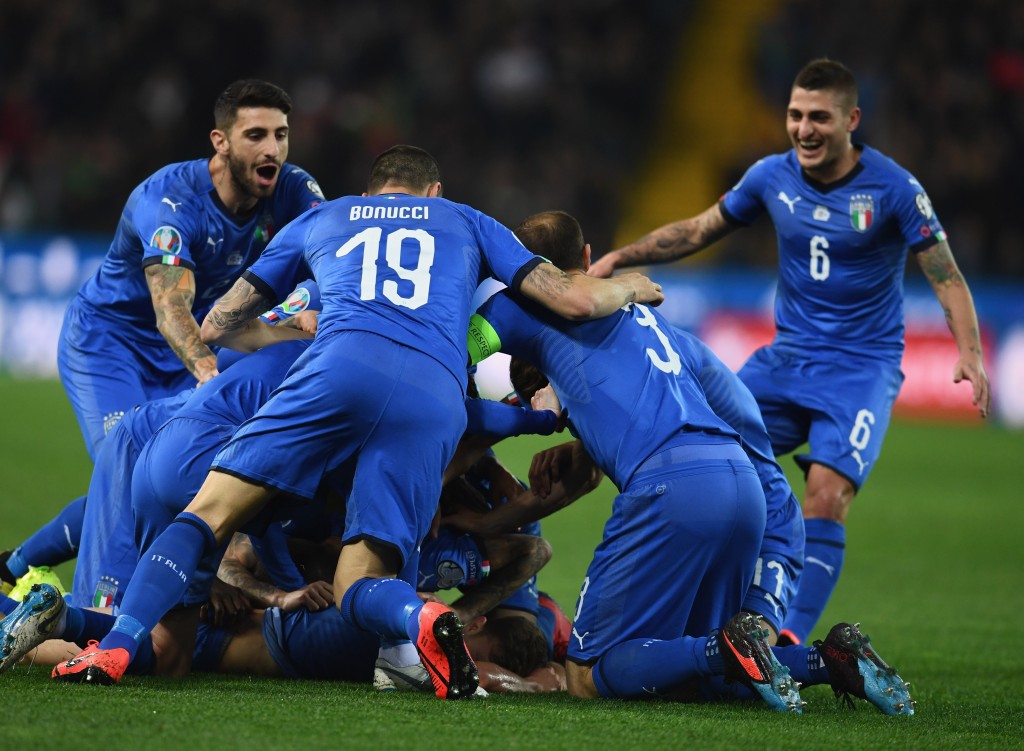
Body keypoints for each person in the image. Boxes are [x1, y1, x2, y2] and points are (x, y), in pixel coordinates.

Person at [50, 144, 664, 700]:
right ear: (435, 193)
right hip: (434, 395)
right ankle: (420, 617)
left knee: (209, 514)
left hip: (339, 369)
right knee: (360, 579)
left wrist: (289, 330)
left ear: (370, 194)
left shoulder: (330, 214)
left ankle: (117, 646)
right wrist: (633, 286)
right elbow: (574, 298)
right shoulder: (468, 220)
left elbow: (217, 323)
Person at [590, 58, 990, 645]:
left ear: (852, 119)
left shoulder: (895, 189)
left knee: (826, 493)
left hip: (860, 370)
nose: (804, 129)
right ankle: (684, 603)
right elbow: (699, 229)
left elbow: (947, 275)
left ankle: (788, 639)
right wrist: (621, 258)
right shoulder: (769, 176)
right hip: (785, 361)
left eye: (819, 117)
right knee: (702, 455)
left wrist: (970, 353)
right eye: (795, 115)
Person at [467, 209, 914, 714]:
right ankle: (827, 659)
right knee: (695, 673)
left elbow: (451, 351)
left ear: (518, 266)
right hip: (743, 483)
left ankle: (725, 648)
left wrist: (513, 415)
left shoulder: (521, 307)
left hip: (675, 488)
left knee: (587, 675)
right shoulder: (649, 322)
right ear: (588, 257)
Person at [57, 78, 325, 460]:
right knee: (125, 462)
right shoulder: (169, 201)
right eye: (255, 135)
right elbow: (170, 307)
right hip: (113, 340)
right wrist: (206, 369)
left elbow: (332, 253)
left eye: (280, 135)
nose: (272, 149)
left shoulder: (294, 189)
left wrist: (309, 308)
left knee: (186, 470)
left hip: (196, 338)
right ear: (221, 141)